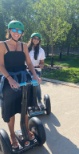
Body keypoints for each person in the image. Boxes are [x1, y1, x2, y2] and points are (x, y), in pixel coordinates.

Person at [0, 20, 41, 149]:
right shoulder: (2, 45)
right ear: (9, 31)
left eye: (19, 31)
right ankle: (12, 135)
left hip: (23, 76)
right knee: (11, 107)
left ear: (22, 33)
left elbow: (29, 63)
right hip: (9, 78)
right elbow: (0, 65)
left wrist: (35, 75)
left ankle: (25, 129)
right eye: (14, 30)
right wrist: (10, 79)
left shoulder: (23, 46)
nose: (17, 33)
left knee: (25, 105)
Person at [27, 33, 46, 108]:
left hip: (36, 70)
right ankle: (27, 101)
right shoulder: (26, 48)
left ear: (39, 40)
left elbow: (42, 63)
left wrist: (41, 65)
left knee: (36, 83)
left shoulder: (41, 50)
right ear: (31, 39)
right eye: (34, 38)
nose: (36, 40)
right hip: (26, 70)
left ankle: (39, 101)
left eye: (37, 39)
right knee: (26, 85)